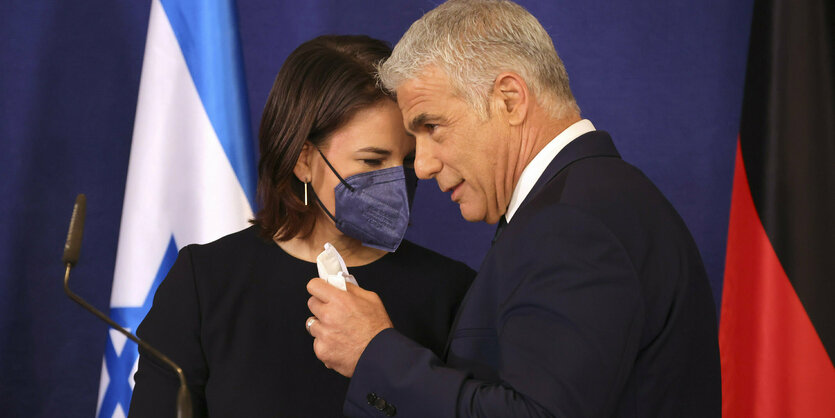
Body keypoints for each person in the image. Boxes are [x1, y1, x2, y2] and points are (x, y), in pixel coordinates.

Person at [306, 1, 721, 417]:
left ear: (509, 99)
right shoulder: (590, 201)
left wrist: (374, 354)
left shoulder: (572, 225)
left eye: (432, 127)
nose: (424, 166)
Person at [128, 35, 475, 417]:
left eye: (406, 161)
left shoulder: (450, 292)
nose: (397, 181)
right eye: (373, 161)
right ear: (303, 160)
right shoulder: (206, 282)